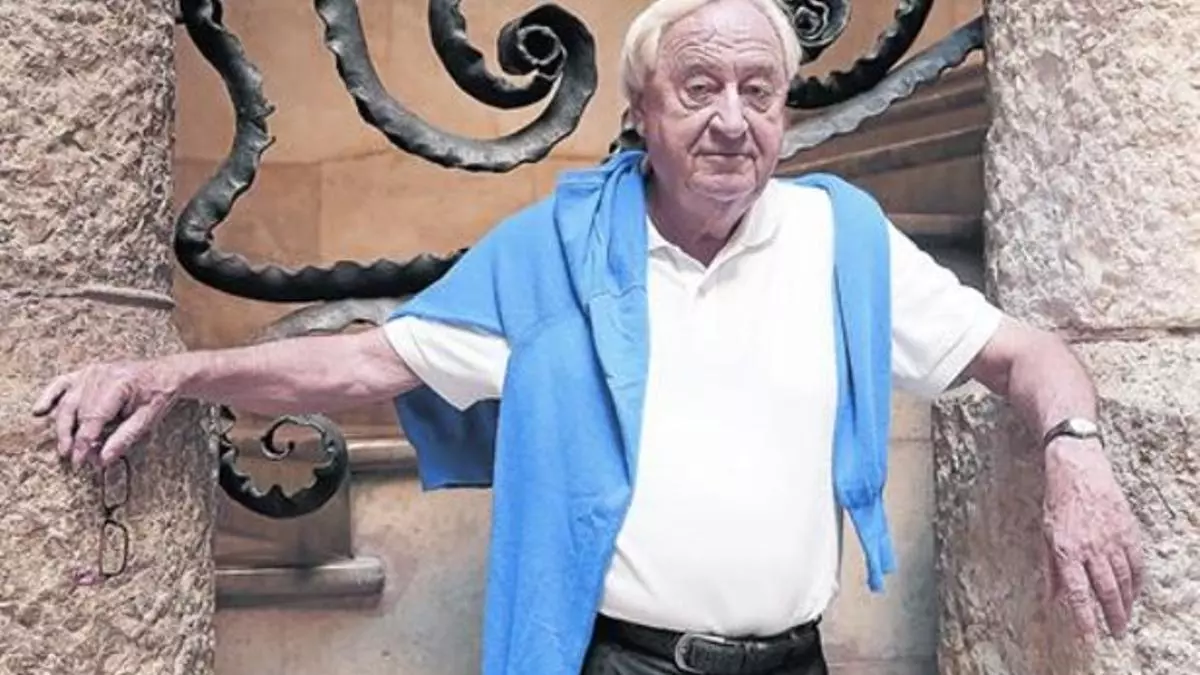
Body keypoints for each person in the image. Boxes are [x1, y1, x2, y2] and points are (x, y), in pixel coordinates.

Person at [34, 0, 1143, 673]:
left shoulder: (841, 237)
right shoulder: (552, 252)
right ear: (643, 114)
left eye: (759, 91)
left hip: (793, 660)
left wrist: (1076, 456)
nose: (732, 118)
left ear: (783, 114)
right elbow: (371, 358)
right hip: (618, 663)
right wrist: (185, 371)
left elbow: (1024, 354)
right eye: (698, 88)